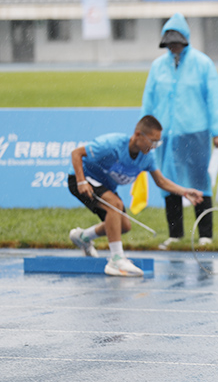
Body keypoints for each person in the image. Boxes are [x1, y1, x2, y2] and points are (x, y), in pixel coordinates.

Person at [68, 115, 203, 277]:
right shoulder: (112, 144)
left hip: (105, 187)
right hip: (83, 180)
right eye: (152, 141)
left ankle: (82, 237)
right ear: (138, 135)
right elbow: (76, 153)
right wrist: (81, 181)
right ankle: (117, 260)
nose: (154, 146)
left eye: (157, 143)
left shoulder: (146, 157)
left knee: (124, 226)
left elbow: (160, 181)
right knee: (115, 205)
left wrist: (185, 192)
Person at [141, 12, 218, 251]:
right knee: (168, 182)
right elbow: (148, 100)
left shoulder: (202, 64)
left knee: (199, 181)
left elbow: (214, 98)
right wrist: (145, 131)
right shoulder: (158, 66)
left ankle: (205, 234)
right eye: (169, 43)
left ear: (186, 40)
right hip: (164, 135)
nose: (173, 47)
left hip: (195, 133)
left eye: (177, 42)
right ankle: (175, 234)